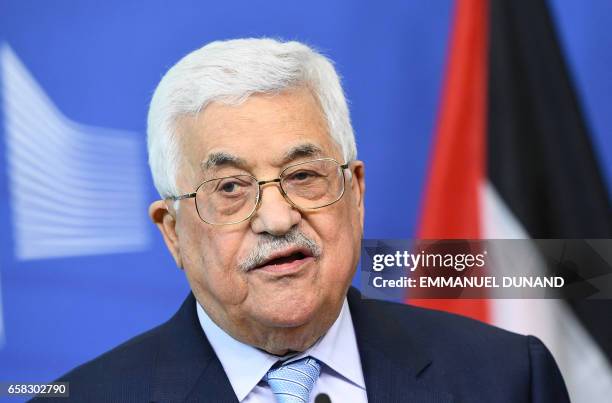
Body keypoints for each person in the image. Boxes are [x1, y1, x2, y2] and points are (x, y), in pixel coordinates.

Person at [38, 38, 570, 403]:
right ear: (172, 231)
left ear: (355, 193)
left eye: (303, 175)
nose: (276, 217)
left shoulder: (506, 377)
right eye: (229, 188)